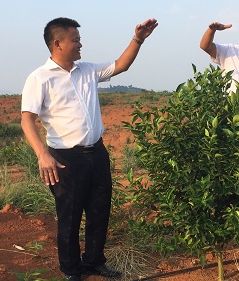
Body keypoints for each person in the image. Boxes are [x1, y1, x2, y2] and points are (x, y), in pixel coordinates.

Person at [21, 17, 158, 281]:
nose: (80, 44)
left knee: (99, 210)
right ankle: (72, 270)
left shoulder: (87, 70)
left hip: (96, 153)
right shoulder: (40, 78)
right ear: (57, 43)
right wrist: (42, 154)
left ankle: (94, 261)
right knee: (69, 217)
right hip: (65, 159)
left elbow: (121, 65)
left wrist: (138, 39)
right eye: (76, 39)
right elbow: (27, 119)